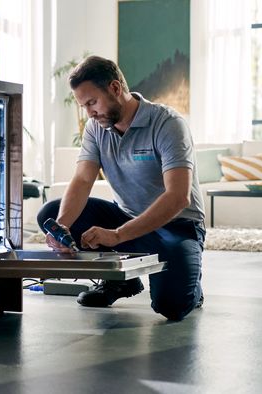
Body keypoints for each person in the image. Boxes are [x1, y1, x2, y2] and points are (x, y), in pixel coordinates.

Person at [37, 55, 205, 321]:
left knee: (171, 307)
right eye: (84, 106)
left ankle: (192, 285)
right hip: (127, 218)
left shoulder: (168, 124)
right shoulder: (96, 128)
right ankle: (121, 280)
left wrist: (117, 235)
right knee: (52, 212)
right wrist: (61, 227)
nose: (89, 113)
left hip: (176, 226)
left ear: (115, 88)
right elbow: (82, 180)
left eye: (92, 102)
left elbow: (177, 197)